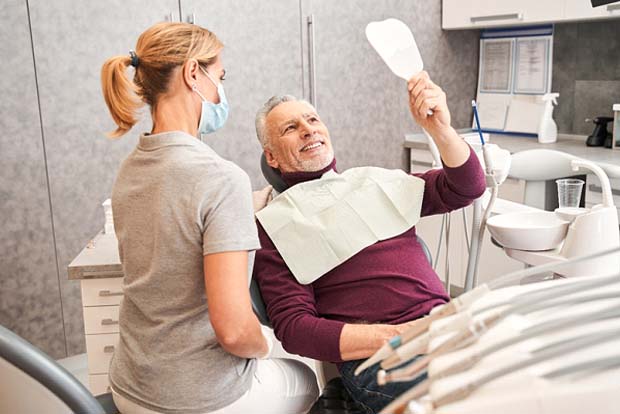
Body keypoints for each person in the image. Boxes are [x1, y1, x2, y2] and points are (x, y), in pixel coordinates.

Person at [101, 22, 318, 414]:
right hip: (196, 401)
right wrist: (269, 343)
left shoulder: (130, 168)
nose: (220, 91)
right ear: (192, 74)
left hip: (129, 387)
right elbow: (235, 331)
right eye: (219, 76)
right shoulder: (221, 178)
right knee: (305, 379)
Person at [252, 71, 486, 413]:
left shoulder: (374, 183)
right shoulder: (275, 225)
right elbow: (295, 328)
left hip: (446, 328)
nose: (308, 129)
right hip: (383, 356)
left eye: (313, 119)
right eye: (291, 128)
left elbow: (467, 186)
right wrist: (401, 336)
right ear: (271, 157)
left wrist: (440, 130)